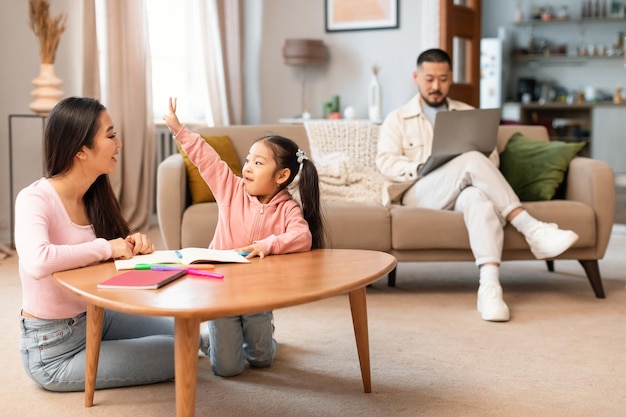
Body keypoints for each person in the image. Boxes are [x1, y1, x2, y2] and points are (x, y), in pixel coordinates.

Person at [375, 48, 578, 322]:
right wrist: (420, 167)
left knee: (477, 199)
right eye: (430, 79)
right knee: (470, 159)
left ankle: (490, 286)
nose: (436, 86)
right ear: (416, 77)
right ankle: (531, 227)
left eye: (443, 79)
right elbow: (385, 162)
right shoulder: (397, 118)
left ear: (451, 79)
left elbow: (490, 158)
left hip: (462, 186)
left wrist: (469, 162)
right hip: (418, 191)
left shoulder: (468, 113)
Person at [16, 97, 176, 392]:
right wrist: (107, 247)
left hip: (95, 317)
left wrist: (132, 244)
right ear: (81, 150)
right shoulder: (34, 198)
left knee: (186, 333)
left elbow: (111, 258)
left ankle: (240, 341)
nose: (119, 143)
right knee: (178, 354)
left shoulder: (94, 195)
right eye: (111, 135)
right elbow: (37, 261)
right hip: (54, 350)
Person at [163, 97, 324, 376]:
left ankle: (259, 337)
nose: (247, 167)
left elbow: (302, 237)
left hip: (259, 296)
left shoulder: (288, 207)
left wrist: (267, 245)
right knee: (227, 368)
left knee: (262, 359)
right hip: (221, 294)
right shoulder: (231, 188)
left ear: (281, 175)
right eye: (248, 160)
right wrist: (179, 129)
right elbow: (207, 158)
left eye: (258, 162)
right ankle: (210, 339)